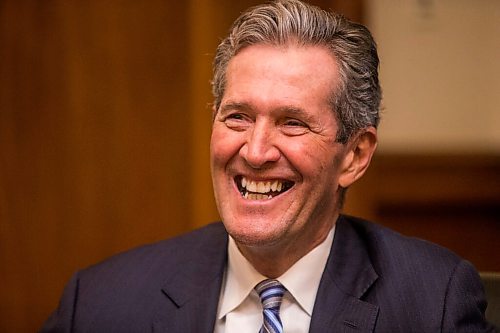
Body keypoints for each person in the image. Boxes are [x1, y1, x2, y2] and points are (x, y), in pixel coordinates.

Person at [41, 0, 495, 332]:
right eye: (237, 116)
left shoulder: (432, 303)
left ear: (354, 156)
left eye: (292, 123)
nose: (255, 152)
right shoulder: (102, 304)